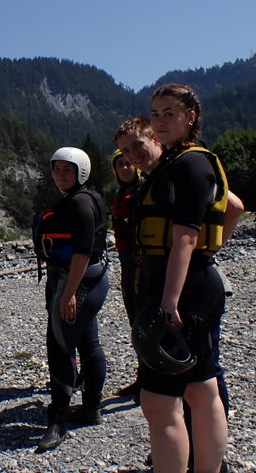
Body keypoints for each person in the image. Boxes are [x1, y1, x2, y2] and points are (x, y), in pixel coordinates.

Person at [122, 84, 237, 473]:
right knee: (201, 389)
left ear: (191, 117)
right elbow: (233, 206)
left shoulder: (189, 163)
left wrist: (169, 301)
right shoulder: (180, 163)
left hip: (183, 291)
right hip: (192, 283)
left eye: (170, 113)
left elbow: (185, 235)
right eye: (155, 113)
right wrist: (211, 252)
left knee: (157, 400)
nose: (160, 120)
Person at [33, 147, 109, 451]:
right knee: (88, 342)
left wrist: (69, 294)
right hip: (89, 279)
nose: (60, 175)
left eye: (67, 169)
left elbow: (82, 251)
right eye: (57, 169)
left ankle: (59, 419)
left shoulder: (79, 203)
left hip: (77, 280)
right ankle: (92, 408)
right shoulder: (83, 198)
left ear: (81, 171)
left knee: (59, 345)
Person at [110, 149, 143, 402]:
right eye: (120, 164)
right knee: (134, 319)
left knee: (144, 319)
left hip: (142, 263)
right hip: (126, 262)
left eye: (128, 163)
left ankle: (152, 378)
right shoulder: (120, 194)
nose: (124, 168)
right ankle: (144, 376)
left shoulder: (143, 191)